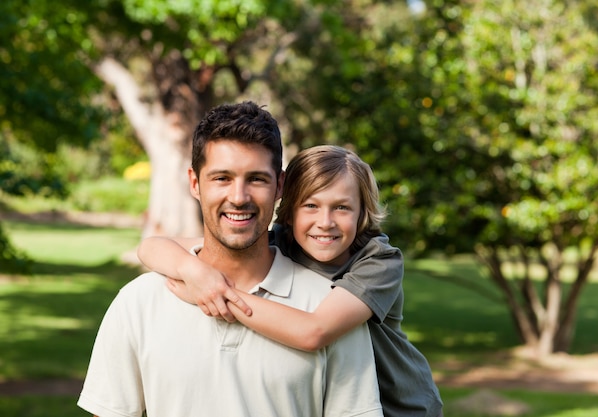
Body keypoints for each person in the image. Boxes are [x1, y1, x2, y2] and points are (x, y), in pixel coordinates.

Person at [77, 102, 383, 417]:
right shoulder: (138, 302)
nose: (238, 197)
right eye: (222, 178)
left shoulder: (331, 309)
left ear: (279, 185)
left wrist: (220, 294)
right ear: (195, 183)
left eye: (256, 179)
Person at [138, 145, 444, 417]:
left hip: (402, 408)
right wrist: (194, 272)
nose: (325, 222)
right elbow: (151, 247)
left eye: (342, 207)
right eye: (310, 206)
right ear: (289, 210)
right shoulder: (283, 243)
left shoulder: (378, 261)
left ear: (363, 211)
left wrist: (216, 295)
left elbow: (314, 331)